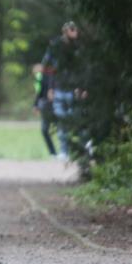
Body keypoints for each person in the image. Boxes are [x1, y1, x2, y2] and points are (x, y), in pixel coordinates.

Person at [41, 21, 85, 161]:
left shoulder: (79, 47)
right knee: (61, 122)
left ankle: (82, 149)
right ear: (65, 31)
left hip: (74, 90)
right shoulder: (55, 47)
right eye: (72, 30)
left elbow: (83, 70)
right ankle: (64, 151)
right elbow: (48, 69)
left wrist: (82, 87)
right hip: (59, 89)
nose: (75, 32)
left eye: (76, 30)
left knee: (77, 120)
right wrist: (50, 88)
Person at [31, 63, 57, 156]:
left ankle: (59, 152)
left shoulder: (45, 76)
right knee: (46, 129)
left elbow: (39, 92)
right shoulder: (44, 77)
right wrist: (36, 105)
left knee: (49, 129)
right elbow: (39, 92)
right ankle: (55, 153)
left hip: (52, 105)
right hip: (49, 106)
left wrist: (35, 105)